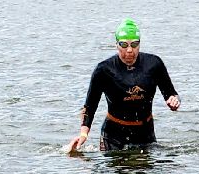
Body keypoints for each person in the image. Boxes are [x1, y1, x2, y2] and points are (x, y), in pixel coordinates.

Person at [69, 19, 180, 152]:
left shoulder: (154, 64)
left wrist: (173, 101)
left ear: (139, 44)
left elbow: (171, 94)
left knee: (146, 171)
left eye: (134, 44)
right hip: (114, 136)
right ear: (116, 45)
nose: (129, 51)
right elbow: (90, 106)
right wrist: (83, 134)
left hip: (145, 134)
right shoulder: (104, 70)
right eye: (124, 45)